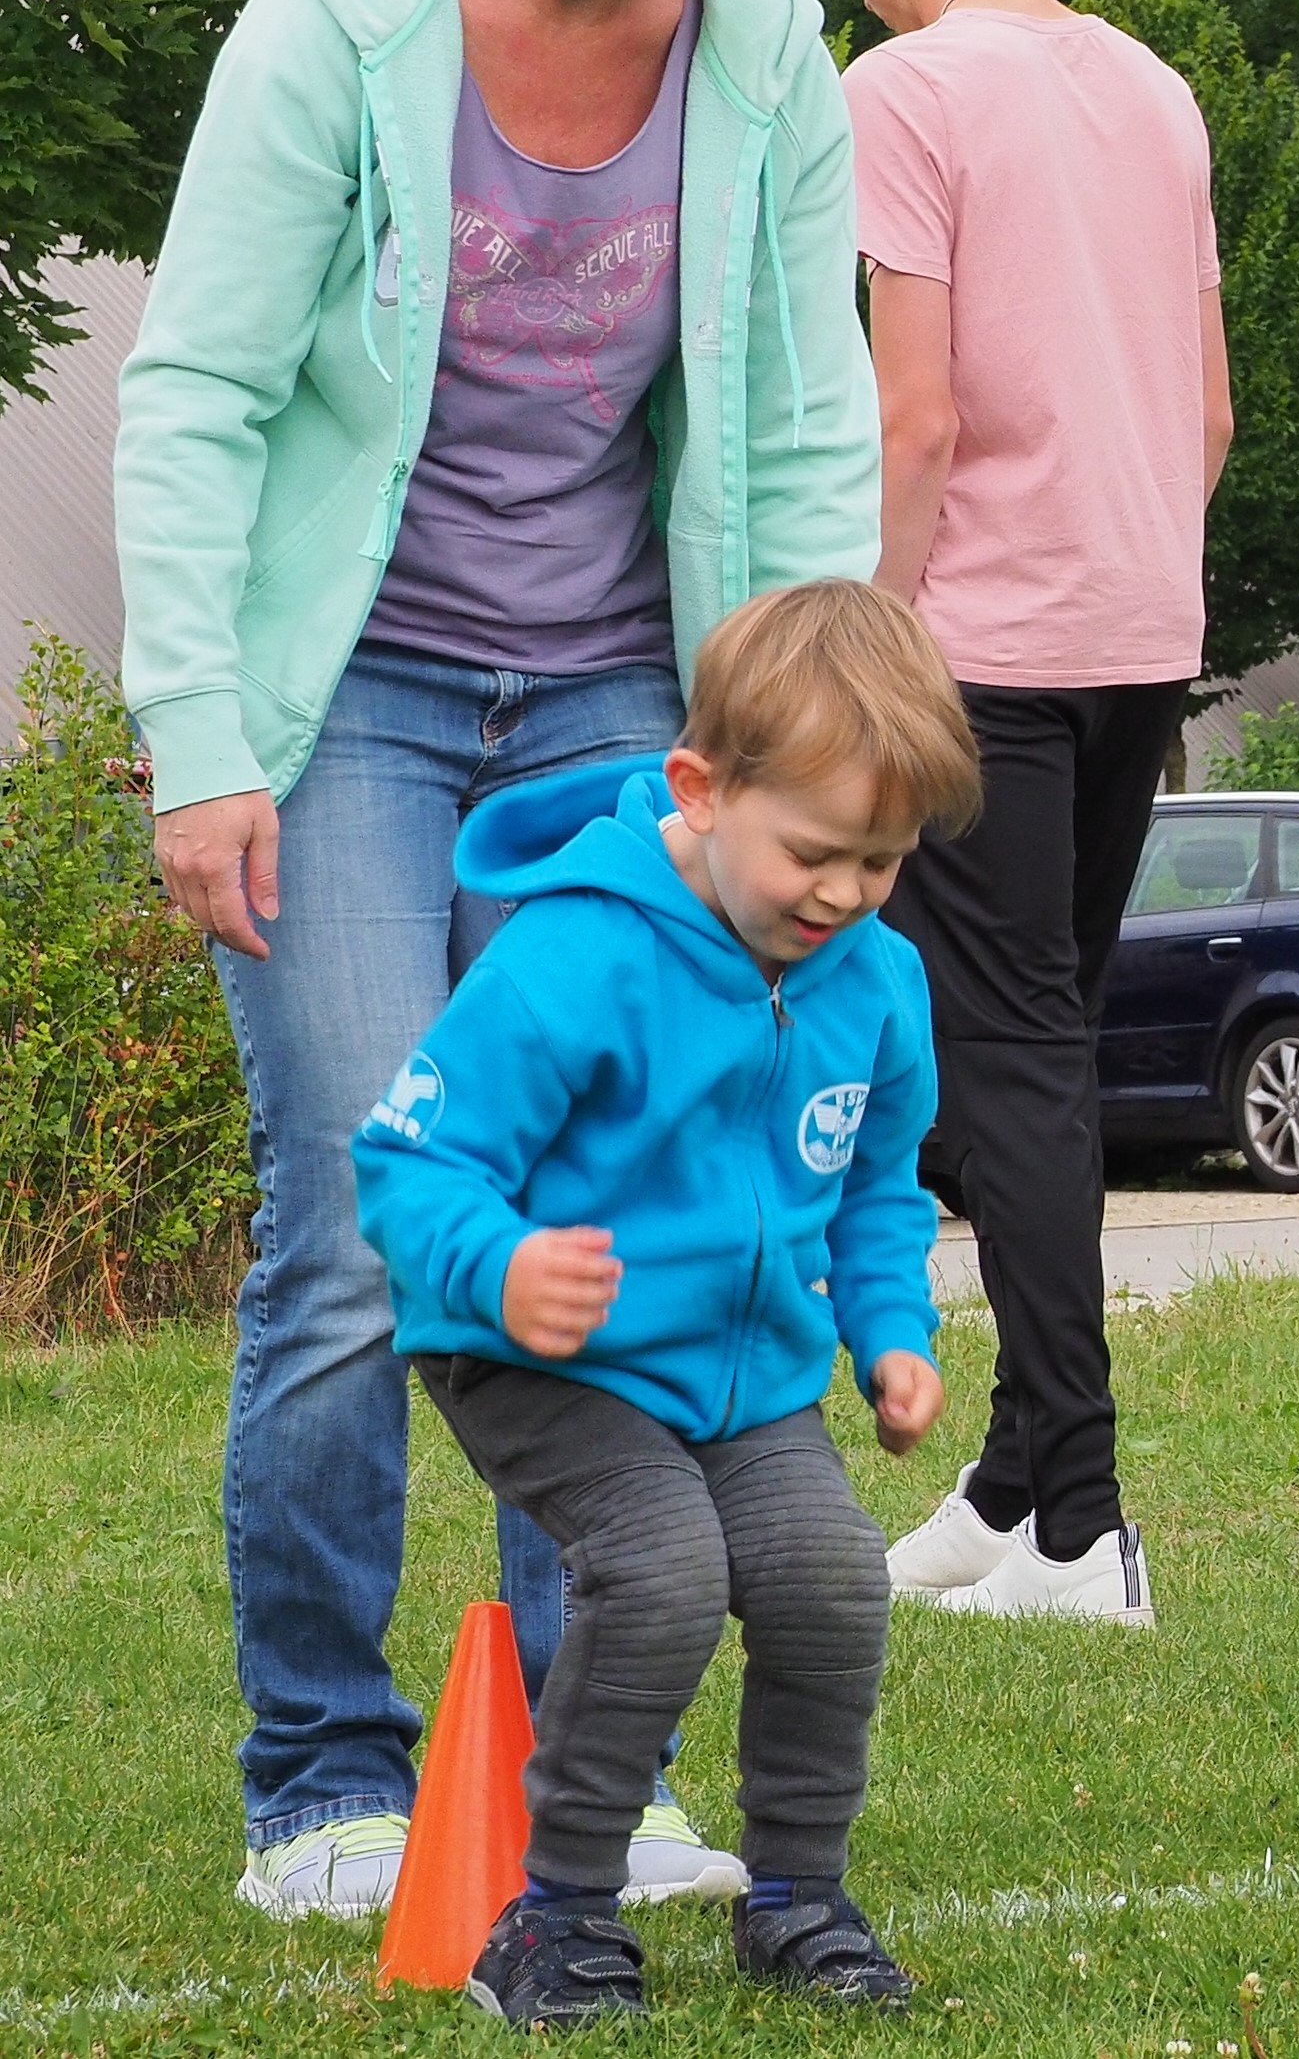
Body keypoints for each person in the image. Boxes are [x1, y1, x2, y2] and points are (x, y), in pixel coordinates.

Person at [116, 0, 885, 1921]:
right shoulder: (343, 15)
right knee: (368, 1213)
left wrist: (804, 756)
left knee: (626, 1211)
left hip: (624, 712)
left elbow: (809, 434)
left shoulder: (768, 63)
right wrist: (195, 739)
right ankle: (324, 1775)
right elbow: (200, 393)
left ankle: (583, 1766)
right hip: (339, 702)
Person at [353, 581, 973, 2027]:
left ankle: (797, 1898)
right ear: (700, 789)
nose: (844, 894)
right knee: (666, 1572)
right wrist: (502, 1267)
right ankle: (554, 1919)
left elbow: (878, 1182)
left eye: (883, 863)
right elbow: (408, 1162)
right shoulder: (577, 955)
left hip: (739, 1369)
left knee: (829, 1581)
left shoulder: (874, 982)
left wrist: (892, 1335)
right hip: (537, 1352)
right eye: (815, 854)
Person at [809, 0, 1231, 1627]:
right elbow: (1208, 415)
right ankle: (1011, 1483)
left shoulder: (895, 92)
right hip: (1142, 632)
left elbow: (917, 410)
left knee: (1010, 1072)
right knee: (1021, 1062)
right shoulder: (1156, 87)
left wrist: (866, 646)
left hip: (978, 651)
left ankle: (1084, 1525)